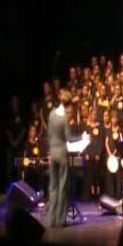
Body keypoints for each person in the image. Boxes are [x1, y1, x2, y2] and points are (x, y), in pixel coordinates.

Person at [48, 89, 85, 228]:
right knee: (62, 188)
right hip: (62, 154)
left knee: (53, 187)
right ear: (68, 105)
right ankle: (60, 221)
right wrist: (82, 137)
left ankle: (51, 220)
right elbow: (69, 138)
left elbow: (50, 135)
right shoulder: (64, 118)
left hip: (53, 152)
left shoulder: (51, 114)